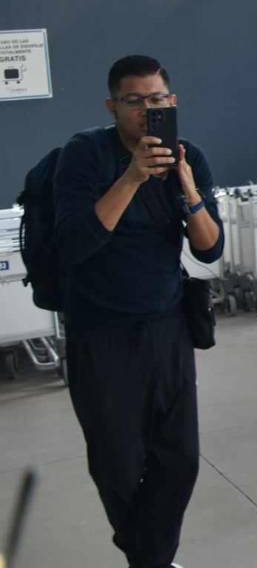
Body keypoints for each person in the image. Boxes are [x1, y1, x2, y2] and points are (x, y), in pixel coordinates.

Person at [54, 55, 224, 568]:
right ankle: (152, 561)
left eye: (157, 100)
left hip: (167, 325)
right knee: (118, 463)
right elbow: (74, 243)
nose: (146, 110)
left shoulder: (186, 156)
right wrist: (131, 178)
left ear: (171, 102)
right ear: (112, 106)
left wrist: (189, 188)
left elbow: (210, 250)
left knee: (181, 459)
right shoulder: (84, 156)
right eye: (134, 101)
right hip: (99, 332)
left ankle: (149, 559)